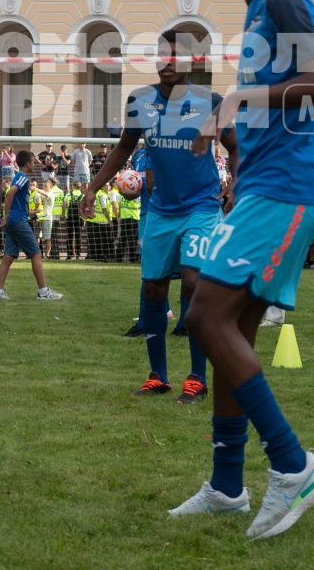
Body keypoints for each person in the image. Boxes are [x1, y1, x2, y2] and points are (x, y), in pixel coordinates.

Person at [166, 0, 314, 538]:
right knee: (225, 328)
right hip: (266, 184)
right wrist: (238, 142)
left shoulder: (283, 0)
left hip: (290, 190)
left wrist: (238, 99)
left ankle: (294, 467)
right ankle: (227, 485)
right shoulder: (259, 9)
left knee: (205, 316)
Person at [87, 31, 238, 399]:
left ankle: (197, 378)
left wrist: (235, 185)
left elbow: (236, 148)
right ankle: (157, 376)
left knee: (192, 280)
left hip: (202, 207)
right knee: (154, 287)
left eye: (175, 56)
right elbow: (124, 148)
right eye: (162, 55)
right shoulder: (140, 100)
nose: (167, 62)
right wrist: (93, 186)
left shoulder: (210, 102)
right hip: (160, 210)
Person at [0, 149, 60, 300]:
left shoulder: (18, 177)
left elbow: (15, 198)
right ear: (28, 163)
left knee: (8, 255)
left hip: (16, 219)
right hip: (17, 221)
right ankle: (43, 292)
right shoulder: (22, 177)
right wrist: (8, 216)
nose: (34, 164)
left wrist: (27, 212)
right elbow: (10, 194)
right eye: (33, 161)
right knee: (35, 253)